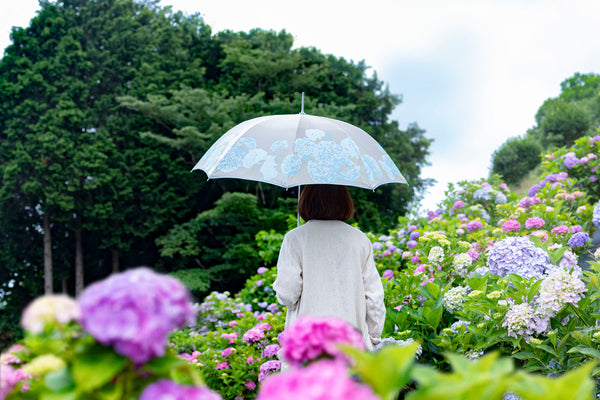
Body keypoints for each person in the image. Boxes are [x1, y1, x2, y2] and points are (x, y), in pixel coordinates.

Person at [273, 184, 386, 350]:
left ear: (306, 201)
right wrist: (373, 337)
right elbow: (374, 298)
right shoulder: (359, 239)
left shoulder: (294, 239)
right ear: (344, 202)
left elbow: (288, 295)